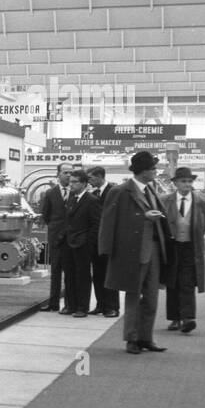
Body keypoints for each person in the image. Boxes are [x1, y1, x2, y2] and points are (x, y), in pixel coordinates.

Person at [98, 150, 171, 355]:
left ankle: (146, 338)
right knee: (133, 296)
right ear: (143, 170)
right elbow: (109, 221)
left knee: (151, 297)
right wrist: (106, 251)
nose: (156, 171)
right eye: (153, 168)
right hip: (132, 251)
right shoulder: (120, 191)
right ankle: (131, 339)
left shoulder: (151, 190)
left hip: (154, 250)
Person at [160, 167, 205, 334]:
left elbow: (204, 224)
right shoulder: (165, 200)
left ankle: (188, 317)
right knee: (172, 281)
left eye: (189, 181)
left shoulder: (202, 202)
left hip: (190, 247)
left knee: (187, 281)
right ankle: (174, 318)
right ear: (175, 183)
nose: (187, 184)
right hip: (172, 246)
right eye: (183, 181)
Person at [62, 169, 101, 317]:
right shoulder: (72, 198)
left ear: (84, 183)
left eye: (75, 182)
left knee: (82, 276)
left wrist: (88, 242)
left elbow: (96, 224)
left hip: (82, 244)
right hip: (69, 243)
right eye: (70, 181)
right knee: (69, 275)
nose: (71, 184)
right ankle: (70, 305)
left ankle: (82, 307)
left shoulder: (92, 200)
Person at [38, 162, 73, 312]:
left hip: (72, 238)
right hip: (55, 238)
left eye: (71, 172)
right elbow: (46, 215)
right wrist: (55, 228)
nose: (69, 175)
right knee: (56, 272)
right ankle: (53, 303)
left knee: (70, 272)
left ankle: (69, 304)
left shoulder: (76, 193)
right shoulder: (50, 193)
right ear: (58, 174)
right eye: (66, 172)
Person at [86, 165, 120, 317]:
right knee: (98, 274)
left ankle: (112, 307)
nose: (89, 181)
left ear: (100, 176)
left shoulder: (114, 192)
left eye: (91, 178)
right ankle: (100, 305)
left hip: (109, 240)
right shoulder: (93, 194)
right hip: (95, 241)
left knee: (110, 275)